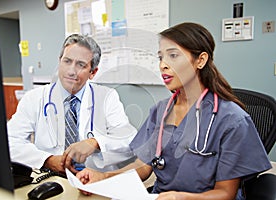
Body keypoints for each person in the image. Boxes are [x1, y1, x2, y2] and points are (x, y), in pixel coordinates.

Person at [75, 22, 272, 200]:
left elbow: (225, 193)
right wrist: (103, 176)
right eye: (161, 57)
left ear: (200, 60)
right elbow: (143, 167)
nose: (163, 65)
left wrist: (182, 198)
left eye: (173, 55)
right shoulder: (160, 111)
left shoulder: (232, 119)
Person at [7, 34, 137, 174]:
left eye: (81, 65)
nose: (71, 71)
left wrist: (95, 143)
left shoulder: (107, 97)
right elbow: (10, 141)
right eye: (67, 61)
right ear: (59, 61)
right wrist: (47, 160)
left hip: (95, 178)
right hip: (52, 178)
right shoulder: (34, 98)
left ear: (92, 72)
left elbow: (129, 138)